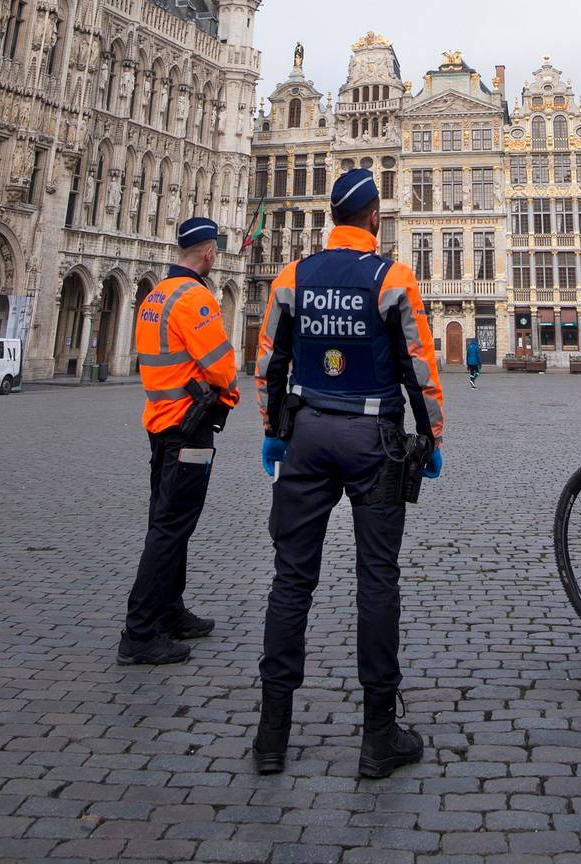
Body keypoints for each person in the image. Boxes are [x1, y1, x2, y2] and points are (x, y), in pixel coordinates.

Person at [252, 169, 445, 778]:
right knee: (377, 581)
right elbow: (419, 365)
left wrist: (273, 430)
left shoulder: (293, 276)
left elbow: (268, 359)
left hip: (307, 434)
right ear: (374, 220)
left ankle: (271, 735)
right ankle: (378, 736)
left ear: (331, 219)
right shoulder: (393, 278)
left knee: (290, 581)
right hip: (373, 439)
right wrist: (432, 436)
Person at [118, 217, 240, 666]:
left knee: (169, 522)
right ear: (208, 253)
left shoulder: (156, 295)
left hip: (159, 421)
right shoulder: (195, 299)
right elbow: (223, 367)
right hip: (189, 427)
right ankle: (140, 631)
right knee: (171, 528)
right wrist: (227, 392)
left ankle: (170, 610)